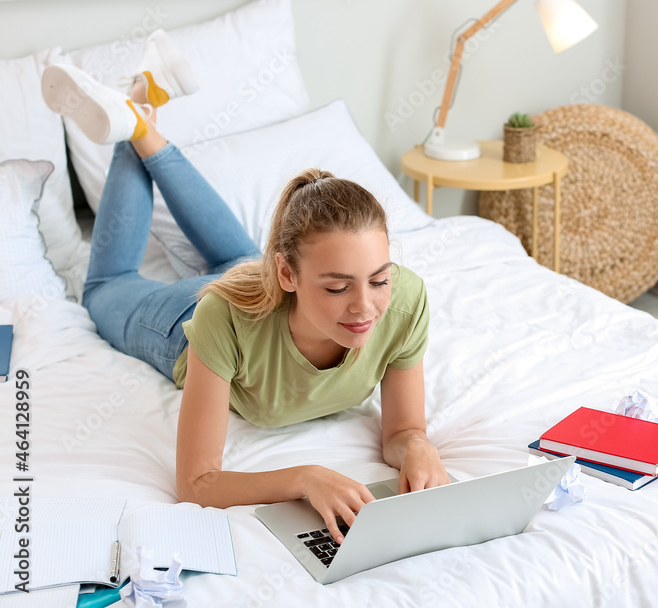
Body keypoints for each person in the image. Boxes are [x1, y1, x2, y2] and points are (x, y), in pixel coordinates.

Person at [41, 31, 448, 543]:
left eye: (379, 279)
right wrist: (304, 478)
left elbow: (402, 431)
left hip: (260, 288)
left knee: (237, 260)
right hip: (182, 321)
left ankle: (148, 99)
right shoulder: (223, 320)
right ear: (288, 276)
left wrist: (417, 448)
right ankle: (134, 118)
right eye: (337, 287)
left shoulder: (406, 302)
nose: (366, 306)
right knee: (104, 287)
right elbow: (197, 483)